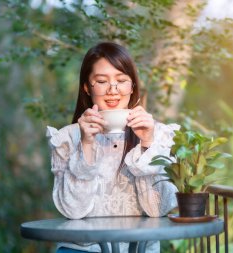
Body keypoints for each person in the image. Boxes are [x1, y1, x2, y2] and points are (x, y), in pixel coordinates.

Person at [46, 42, 179, 253]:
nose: (113, 91)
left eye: (121, 81)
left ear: (132, 86)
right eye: (101, 81)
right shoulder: (66, 137)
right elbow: (73, 210)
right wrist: (86, 144)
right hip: (81, 250)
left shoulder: (158, 133)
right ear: (87, 87)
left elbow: (157, 210)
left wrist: (147, 144)